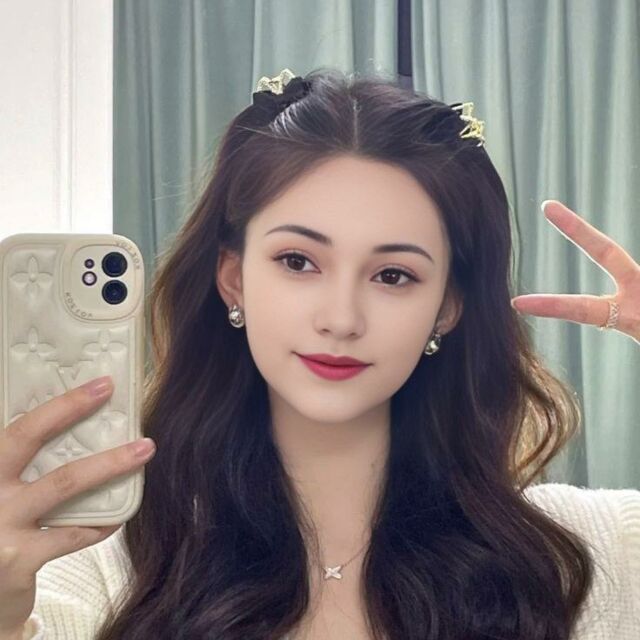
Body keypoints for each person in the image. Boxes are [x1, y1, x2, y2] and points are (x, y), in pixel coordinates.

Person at [1, 67, 639, 640]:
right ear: (233, 278)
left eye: (393, 275)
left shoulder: (589, 556)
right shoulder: (101, 570)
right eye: (297, 261)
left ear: (446, 307)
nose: (341, 319)